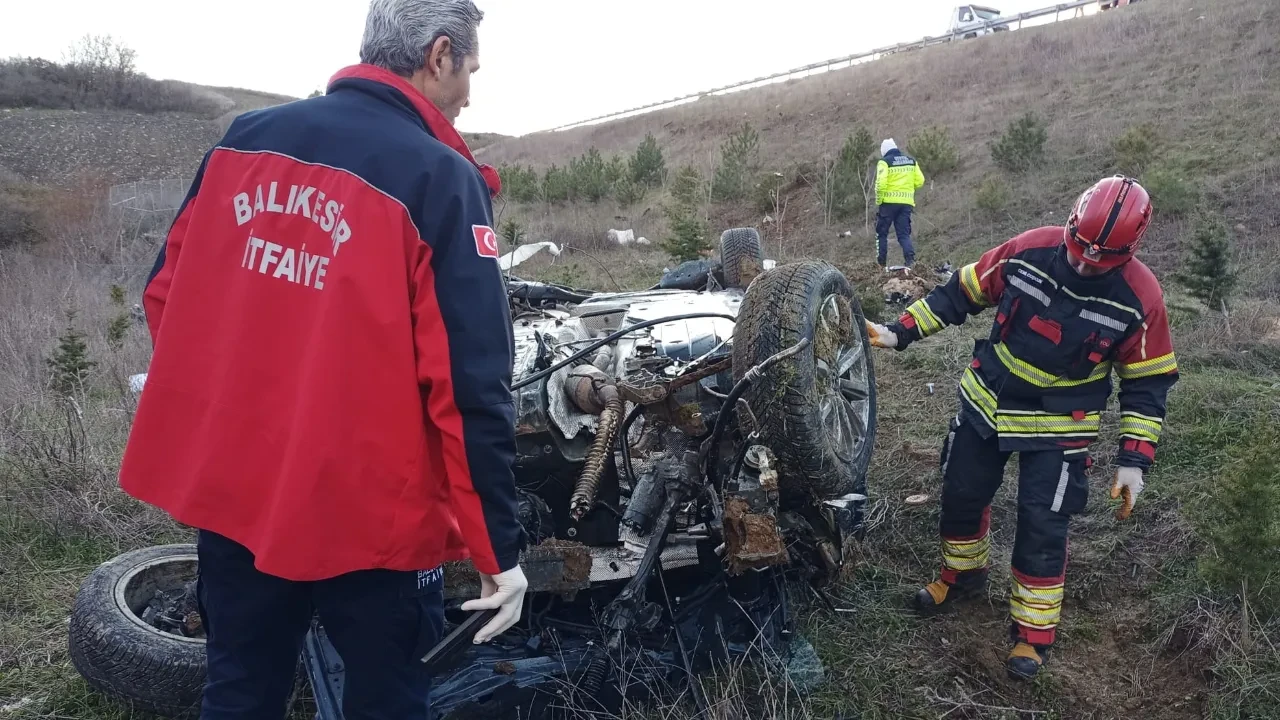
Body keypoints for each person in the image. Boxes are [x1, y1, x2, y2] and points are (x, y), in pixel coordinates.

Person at [118, 1, 528, 717]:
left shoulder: (247, 139)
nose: (470, 93)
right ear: (438, 57)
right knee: (387, 699)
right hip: (374, 521)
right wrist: (497, 551)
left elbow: (165, 297)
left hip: (239, 492)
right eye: (471, 70)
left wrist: (250, 409)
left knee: (240, 688)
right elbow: (468, 389)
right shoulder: (439, 178)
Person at [865, 176, 1178, 681]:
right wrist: (899, 331)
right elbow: (961, 292)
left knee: (1043, 525)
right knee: (962, 495)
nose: (1080, 264)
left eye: (1096, 263)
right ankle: (962, 575)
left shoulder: (1141, 298)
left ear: (1126, 253)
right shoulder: (1028, 249)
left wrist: (1134, 461)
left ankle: (1032, 636)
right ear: (1071, 223)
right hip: (988, 402)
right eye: (1077, 251)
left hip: (1061, 429)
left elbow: (1148, 384)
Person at [875, 138, 926, 269]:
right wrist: (908, 186)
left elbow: (880, 185)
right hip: (906, 204)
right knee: (903, 234)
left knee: (882, 234)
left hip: (888, 204)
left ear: (884, 151)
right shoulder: (911, 161)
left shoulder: (884, 162)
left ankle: (881, 264)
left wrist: (879, 200)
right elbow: (920, 181)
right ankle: (910, 261)